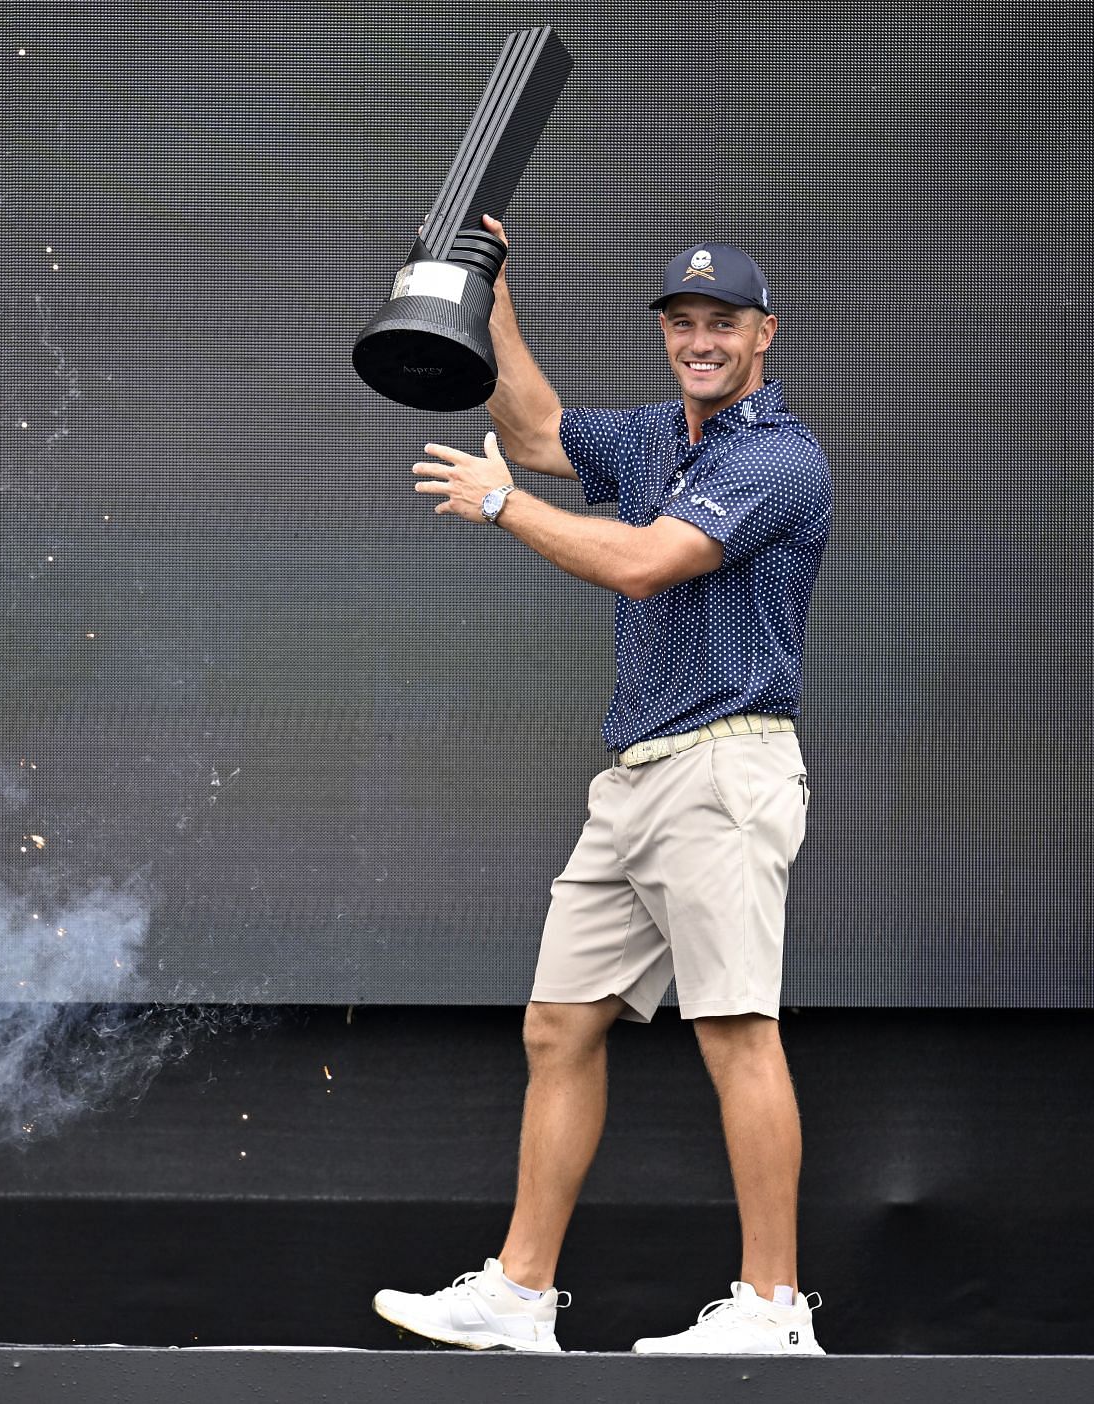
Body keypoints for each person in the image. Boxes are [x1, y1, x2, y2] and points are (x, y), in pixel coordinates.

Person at [372, 221, 831, 1355]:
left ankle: (774, 1311)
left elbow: (639, 561)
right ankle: (521, 1295)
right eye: (683, 323)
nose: (702, 341)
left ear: (763, 335)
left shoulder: (777, 459)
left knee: (734, 1030)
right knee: (558, 1027)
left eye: (724, 323)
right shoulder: (652, 439)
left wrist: (498, 506)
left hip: (727, 767)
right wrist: (495, 285)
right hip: (634, 778)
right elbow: (530, 426)